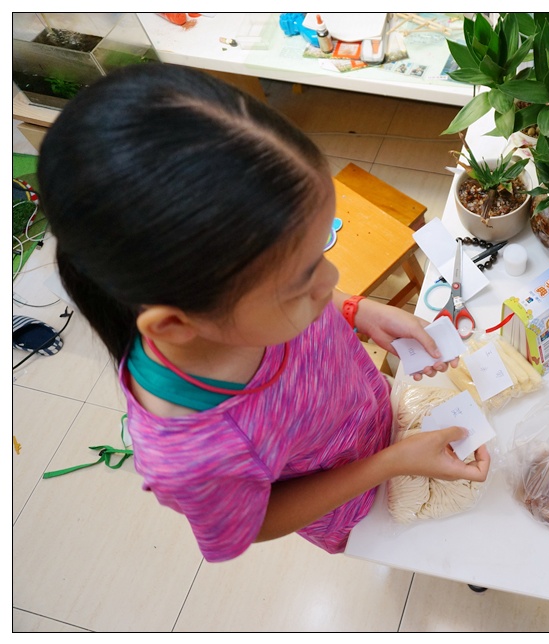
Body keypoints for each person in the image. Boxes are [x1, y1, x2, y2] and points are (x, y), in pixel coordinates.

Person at [37, 64, 490, 561]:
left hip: (375, 421)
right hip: (353, 505)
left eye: (319, 251)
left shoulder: (243, 301)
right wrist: (389, 464)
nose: (331, 282)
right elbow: (255, 525)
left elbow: (310, 296)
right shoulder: (193, 454)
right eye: (299, 282)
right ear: (175, 325)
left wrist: (357, 311)